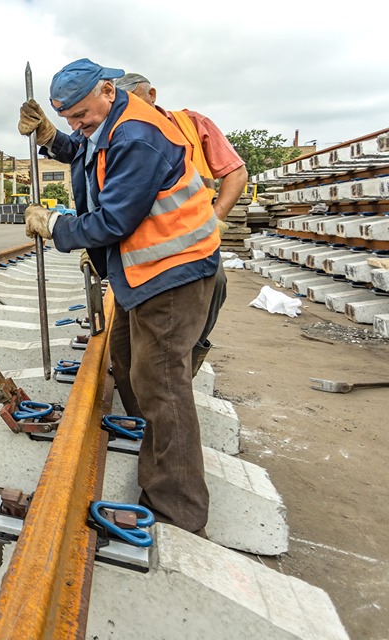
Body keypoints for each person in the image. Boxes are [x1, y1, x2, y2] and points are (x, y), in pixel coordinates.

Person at [17, 59, 219, 535]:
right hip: (142, 270)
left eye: (80, 114)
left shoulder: (136, 136)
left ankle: (177, 511)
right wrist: (50, 136)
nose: (76, 125)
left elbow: (113, 222)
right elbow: (86, 150)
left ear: (107, 91)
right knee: (127, 358)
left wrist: (56, 225)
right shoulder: (110, 121)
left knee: (161, 381)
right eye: (67, 118)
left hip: (173, 272)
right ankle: (146, 437)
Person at [114, 72, 248, 375]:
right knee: (132, 310)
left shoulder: (191, 124)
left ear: (152, 95)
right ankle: (140, 374)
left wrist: (217, 219)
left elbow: (235, 173)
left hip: (193, 237)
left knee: (215, 285)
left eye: (135, 101)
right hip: (142, 241)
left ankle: (188, 359)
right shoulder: (122, 133)